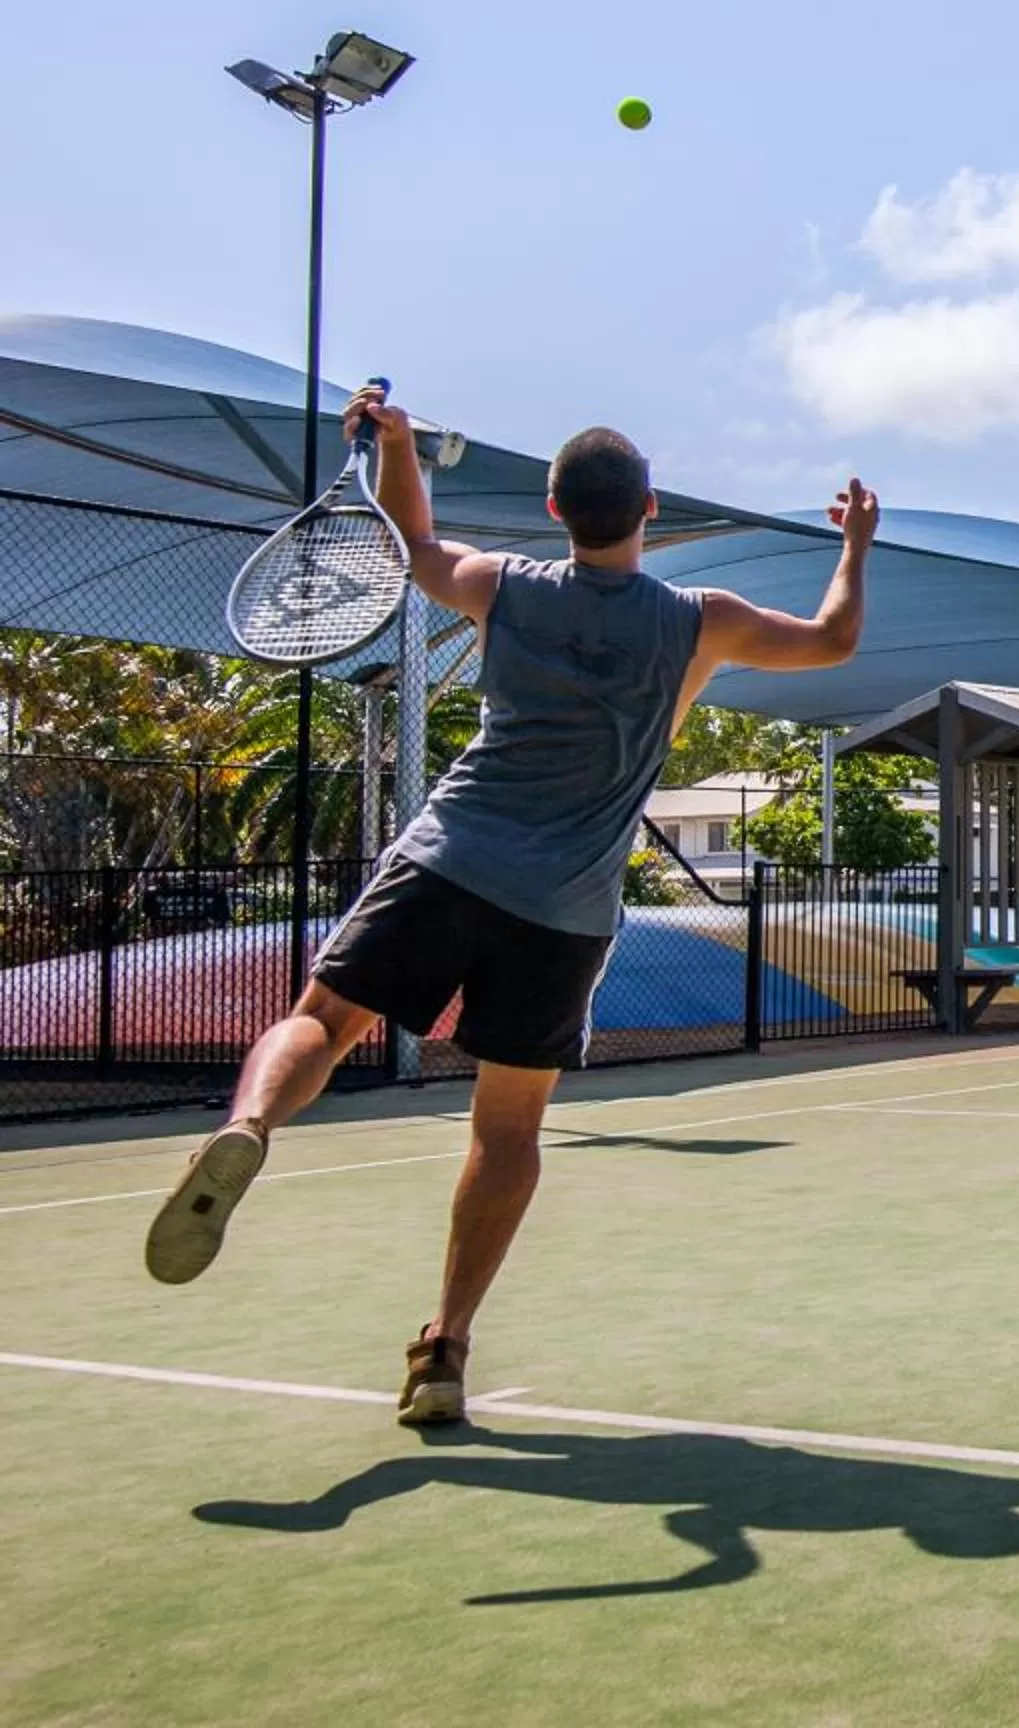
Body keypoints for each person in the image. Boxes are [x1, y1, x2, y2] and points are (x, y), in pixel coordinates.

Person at [144, 382, 880, 1428]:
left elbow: (412, 541)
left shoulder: (509, 585)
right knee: (505, 1128)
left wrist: (398, 442)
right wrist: (854, 543)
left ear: (552, 509)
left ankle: (250, 1125)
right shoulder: (699, 620)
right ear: (650, 506)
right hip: (563, 907)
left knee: (321, 1021)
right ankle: (442, 1349)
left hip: (450, 856)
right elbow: (832, 638)